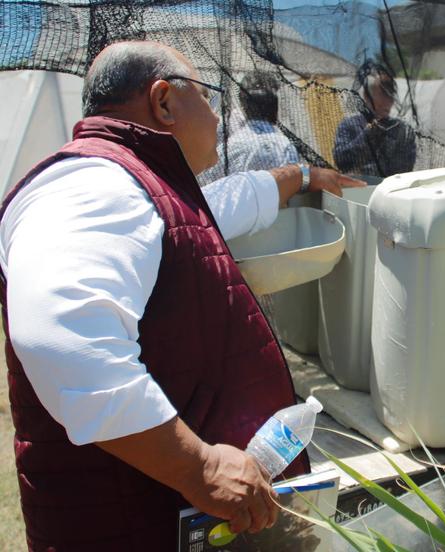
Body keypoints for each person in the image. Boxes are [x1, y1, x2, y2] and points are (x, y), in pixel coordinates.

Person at [0, 41, 362, 550]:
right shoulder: (92, 185)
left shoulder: (136, 184)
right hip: (128, 525)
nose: (216, 116)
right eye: (209, 96)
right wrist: (201, 467)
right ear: (164, 101)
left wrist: (302, 177)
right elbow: (63, 336)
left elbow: (215, 208)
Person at [333, 61, 417, 178]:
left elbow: (406, 168)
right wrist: (368, 135)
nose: (388, 101)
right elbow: (342, 161)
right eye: (383, 94)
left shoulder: (402, 130)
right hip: (358, 191)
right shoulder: (349, 125)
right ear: (367, 96)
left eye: (391, 95)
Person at [226, 71, 300, 174]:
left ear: (244, 107)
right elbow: (294, 182)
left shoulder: (231, 144)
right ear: (275, 109)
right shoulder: (285, 146)